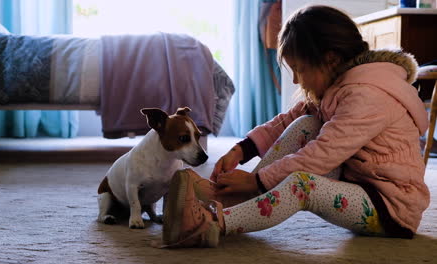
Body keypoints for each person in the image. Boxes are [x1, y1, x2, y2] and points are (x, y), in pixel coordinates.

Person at [158, 5, 430, 248]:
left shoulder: (368, 96)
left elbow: (320, 156)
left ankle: (209, 223)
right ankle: (227, 199)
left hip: (390, 206)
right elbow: (287, 120)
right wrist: (241, 151)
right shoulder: (339, 85)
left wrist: (255, 180)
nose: (298, 81)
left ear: (331, 59)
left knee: (303, 185)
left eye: (299, 69)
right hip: (359, 181)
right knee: (305, 124)